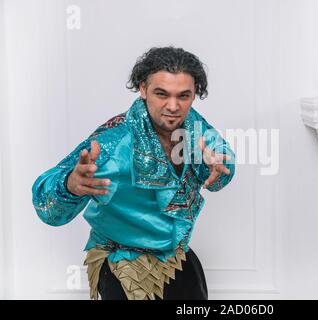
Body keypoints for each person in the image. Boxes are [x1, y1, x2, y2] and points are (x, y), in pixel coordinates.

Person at [31, 46, 235, 300]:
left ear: (194, 95)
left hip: (178, 256)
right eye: (161, 94)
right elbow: (46, 207)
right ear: (143, 89)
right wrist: (70, 185)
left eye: (183, 96)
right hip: (124, 267)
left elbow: (221, 167)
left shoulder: (194, 125)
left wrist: (218, 169)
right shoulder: (113, 143)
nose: (173, 106)